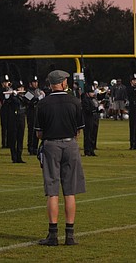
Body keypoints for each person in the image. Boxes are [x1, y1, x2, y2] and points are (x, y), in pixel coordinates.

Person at [35, 70, 85, 246]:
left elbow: (39, 133)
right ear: (63, 83)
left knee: (52, 191)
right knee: (70, 192)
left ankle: (53, 234)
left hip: (51, 145)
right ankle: (70, 235)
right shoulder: (74, 101)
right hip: (70, 144)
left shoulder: (43, 103)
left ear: (51, 84)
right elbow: (78, 130)